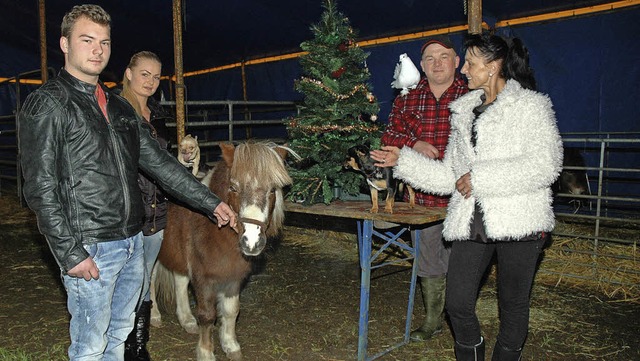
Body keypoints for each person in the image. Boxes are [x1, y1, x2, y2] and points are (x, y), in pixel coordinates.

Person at [18, 5, 237, 361]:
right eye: (86, 40)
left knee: (119, 335)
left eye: (104, 42)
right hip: (90, 245)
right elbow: (40, 187)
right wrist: (70, 252)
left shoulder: (120, 109)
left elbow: (161, 164)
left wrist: (210, 202)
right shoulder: (49, 104)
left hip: (132, 241)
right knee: (90, 345)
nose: (97, 49)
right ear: (64, 43)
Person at [371, 32, 562, 361]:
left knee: (512, 306)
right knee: (457, 303)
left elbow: (547, 165)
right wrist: (401, 160)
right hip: (472, 219)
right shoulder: (464, 111)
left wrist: (481, 178)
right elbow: (450, 176)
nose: (463, 71)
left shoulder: (531, 106)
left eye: (470, 63)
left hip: (520, 218)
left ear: (492, 66)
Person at [381, 34, 468, 341]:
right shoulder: (407, 97)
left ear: (457, 62)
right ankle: (433, 320)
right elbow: (388, 135)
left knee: (466, 257)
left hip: (466, 193)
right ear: (421, 65)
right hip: (422, 199)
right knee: (429, 256)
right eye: (430, 58)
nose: (437, 63)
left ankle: (461, 315)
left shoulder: (472, 94)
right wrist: (413, 143)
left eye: (443, 56)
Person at [119, 51, 170, 361]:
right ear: (128, 73)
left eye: (156, 76)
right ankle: (121, 345)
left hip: (156, 214)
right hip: (125, 215)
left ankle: (138, 348)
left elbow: (165, 165)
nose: (150, 81)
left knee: (144, 281)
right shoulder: (114, 110)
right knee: (125, 283)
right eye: (144, 74)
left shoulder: (159, 115)